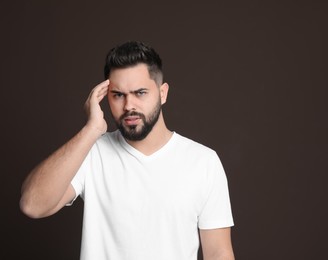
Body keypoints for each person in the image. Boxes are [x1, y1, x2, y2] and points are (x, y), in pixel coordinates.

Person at [20, 41, 235, 260]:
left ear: (162, 93)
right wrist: (90, 130)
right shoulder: (91, 152)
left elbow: (219, 253)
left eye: (140, 92)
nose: (129, 105)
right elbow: (32, 205)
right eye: (118, 95)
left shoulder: (203, 162)